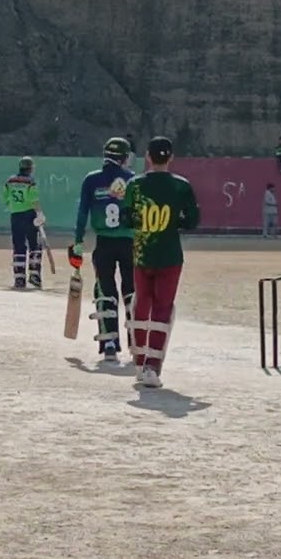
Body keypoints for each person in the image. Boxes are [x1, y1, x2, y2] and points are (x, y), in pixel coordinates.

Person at [120, 136, 199, 388]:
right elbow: (192, 221)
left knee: (142, 303)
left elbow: (125, 219)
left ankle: (139, 359)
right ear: (171, 158)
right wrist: (174, 222)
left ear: (148, 157)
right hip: (170, 255)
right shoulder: (181, 186)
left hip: (142, 254)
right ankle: (152, 367)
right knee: (163, 309)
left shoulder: (135, 185)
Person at [71, 137, 136, 362]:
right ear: (124, 157)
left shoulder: (92, 180)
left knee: (106, 290)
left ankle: (109, 342)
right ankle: (137, 342)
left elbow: (82, 215)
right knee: (132, 291)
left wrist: (78, 242)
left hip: (104, 243)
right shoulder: (133, 180)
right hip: (130, 243)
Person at [3, 156, 44, 288]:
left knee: (18, 246)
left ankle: (19, 278)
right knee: (35, 245)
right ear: (30, 168)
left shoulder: (10, 181)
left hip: (15, 215)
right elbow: (34, 200)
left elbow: (5, 198)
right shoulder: (30, 182)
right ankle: (34, 275)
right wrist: (40, 214)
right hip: (29, 214)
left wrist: (12, 206)